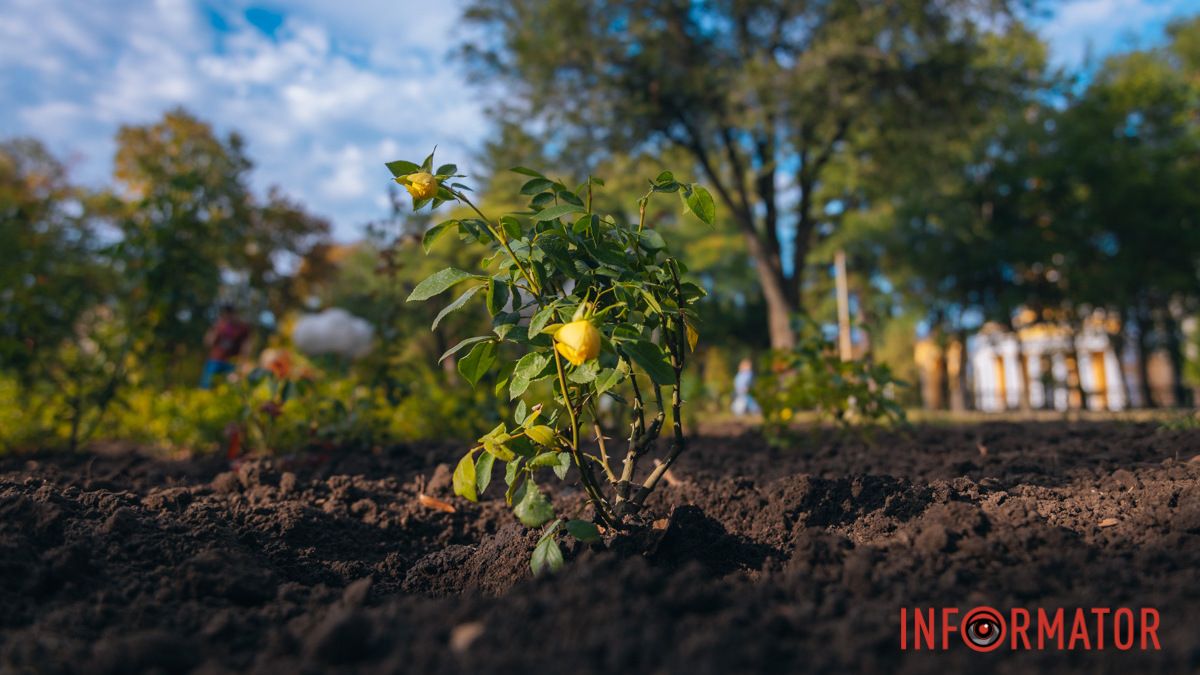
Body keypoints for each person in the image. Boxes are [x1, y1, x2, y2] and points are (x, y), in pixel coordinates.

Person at [200, 304, 251, 389]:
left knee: (229, 388)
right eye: (226, 313)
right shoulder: (219, 325)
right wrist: (216, 330)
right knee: (207, 386)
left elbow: (246, 346)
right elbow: (208, 342)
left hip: (232, 363)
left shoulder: (242, 328)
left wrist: (243, 361)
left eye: (230, 313)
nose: (228, 316)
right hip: (215, 360)